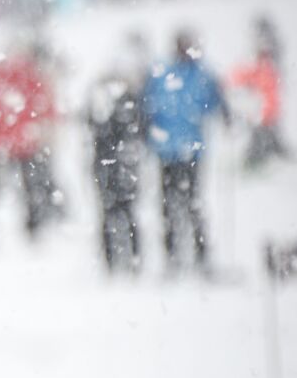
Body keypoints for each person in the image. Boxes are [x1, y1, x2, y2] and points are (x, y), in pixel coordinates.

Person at [142, 30, 230, 273]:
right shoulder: (163, 73)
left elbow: (216, 102)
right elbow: (147, 105)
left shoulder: (201, 74)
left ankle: (199, 256)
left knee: (192, 204)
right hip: (168, 150)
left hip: (190, 150)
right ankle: (173, 256)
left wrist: (225, 113)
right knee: (171, 205)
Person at [0, 36, 65, 238]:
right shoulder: (30, 73)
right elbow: (45, 103)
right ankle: (36, 226)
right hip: (26, 141)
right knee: (33, 187)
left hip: (2, 142)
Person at [86, 34, 148, 273]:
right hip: (113, 161)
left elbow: (137, 127)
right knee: (113, 211)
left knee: (122, 210)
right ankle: (118, 259)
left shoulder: (125, 98)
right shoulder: (107, 97)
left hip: (119, 161)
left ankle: (125, 259)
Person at [228, 15, 288, 170]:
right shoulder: (258, 63)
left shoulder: (268, 63)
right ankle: (257, 162)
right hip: (261, 112)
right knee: (260, 139)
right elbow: (237, 80)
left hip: (266, 112)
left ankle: (262, 162)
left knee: (265, 138)